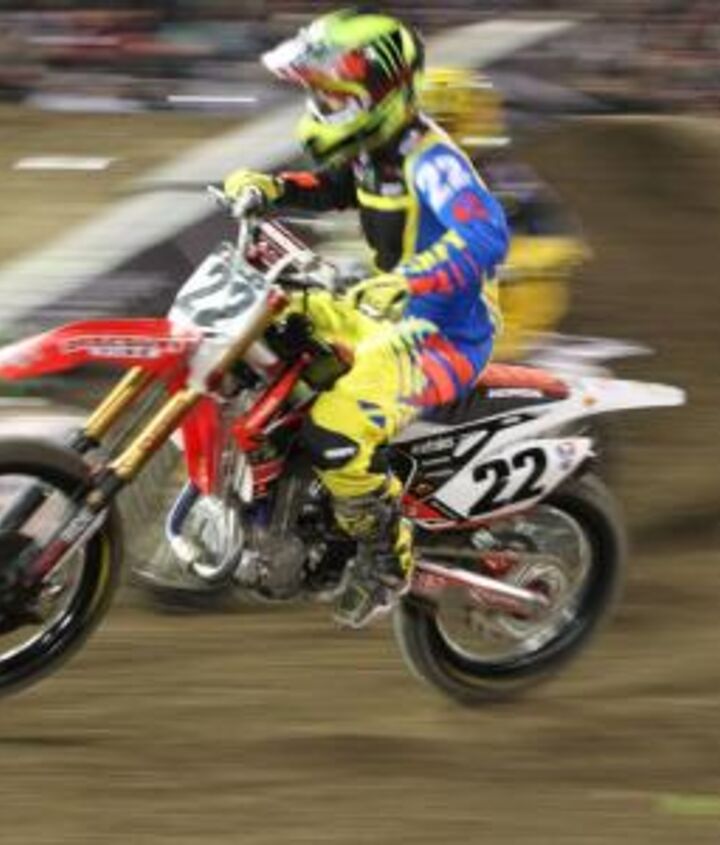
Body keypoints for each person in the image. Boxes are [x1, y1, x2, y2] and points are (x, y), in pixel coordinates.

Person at [223, 10, 509, 628]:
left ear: (381, 95)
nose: (321, 106)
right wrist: (272, 189)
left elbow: (487, 236)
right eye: (317, 94)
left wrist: (410, 279)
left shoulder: (432, 160)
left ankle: (385, 556)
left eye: (333, 95)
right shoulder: (375, 149)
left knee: (336, 432)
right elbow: (335, 188)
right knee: (263, 329)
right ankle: (277, 502)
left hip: (440, 334)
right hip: (381, 310)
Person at [420, 66, 589, 361]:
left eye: (443, 124)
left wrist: (517, 264)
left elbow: (559, 237)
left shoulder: (501, 177)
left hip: (507, 313)